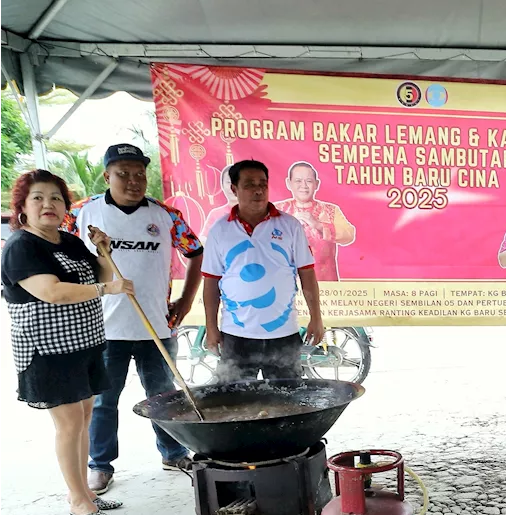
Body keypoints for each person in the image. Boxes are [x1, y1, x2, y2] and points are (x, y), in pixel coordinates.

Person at [2, 169, 135, 515]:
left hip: (85, 344)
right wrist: (107, 290)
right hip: (46, 350)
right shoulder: (21, 246)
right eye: (38, 198)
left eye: (56, 198)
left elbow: (102, 276)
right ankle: (78, 499)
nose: (48, 204)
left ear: (65, 207)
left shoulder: (70, 241)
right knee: (69, 423)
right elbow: (53, 292)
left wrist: (104, 251)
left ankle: (85, 491)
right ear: (23, 207)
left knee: (85, 416)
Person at [69, 143, 204, 494]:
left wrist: (186, 301)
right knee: (103, 400)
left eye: (140, 174)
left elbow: (196, 252)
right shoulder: (82, 214)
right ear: (107, 176)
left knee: (164, 396)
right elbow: (59, 254)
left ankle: (173, 452)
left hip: (156, 325)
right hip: (103, 328)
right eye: (123, 174)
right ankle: (99, 464)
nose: (133, 181)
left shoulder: (165, 215)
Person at [201, 160, 325, 379]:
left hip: (283, 335)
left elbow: (307, 274)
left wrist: (316, 317)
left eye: (263, 184)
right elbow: (211, 282)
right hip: (236, 335)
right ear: (234, 189)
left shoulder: (290, 226)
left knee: (287, 403)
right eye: (249, 184)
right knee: (235, 405)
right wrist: (211, 327)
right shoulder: (220, 229)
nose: (258, 190)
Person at [275, 161, 356, 282]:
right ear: (288, 183)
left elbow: (349, 235)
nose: (304, 186)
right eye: (298, 181)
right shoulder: (276, 210)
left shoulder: (330, 210)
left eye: (309, 181)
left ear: (316, 184)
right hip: (285, 285)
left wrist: (319, 226)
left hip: (325, 287)